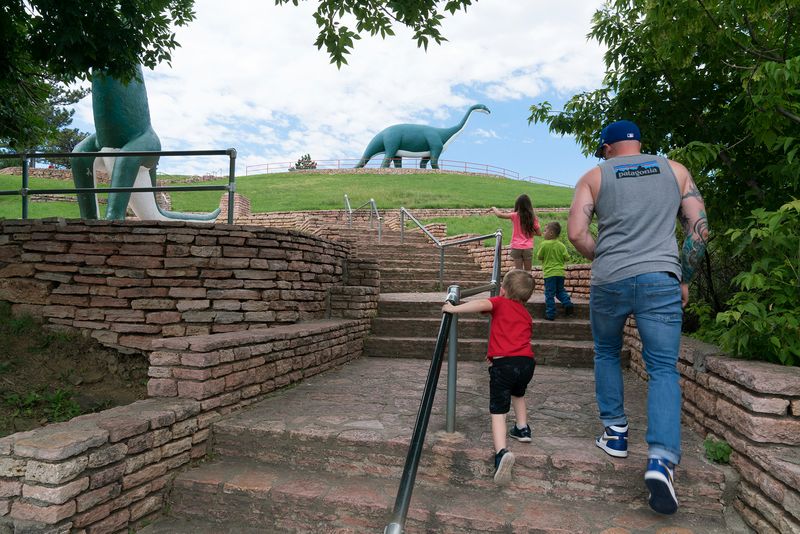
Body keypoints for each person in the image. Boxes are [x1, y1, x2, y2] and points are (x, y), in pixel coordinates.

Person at [568, 120, 708, 515]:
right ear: (639, 144)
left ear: (608, 148)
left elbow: (577, 234)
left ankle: (615, 434)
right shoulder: (675, 170)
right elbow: (699, 231)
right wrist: (685, 277)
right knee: (664, 368)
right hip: (661, 277)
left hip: (609, 281)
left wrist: (608, 256)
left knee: (607, 352)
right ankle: (661, 459)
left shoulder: (594, 176)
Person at [442, 269, 536, 486]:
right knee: (519, 394)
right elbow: (513, 336)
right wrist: (494, 353)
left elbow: (481, 304)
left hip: (504, 365)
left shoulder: (500, 302)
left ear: (502, 290)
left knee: (498, 409)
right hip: (526, 363)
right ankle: (523, 428)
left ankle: (501, 452)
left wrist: (453, 308)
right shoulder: (526, 313)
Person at [490, 194, 541, 271]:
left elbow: (499, 215)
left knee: (518, 271)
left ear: (518, 205)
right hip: (528, 247)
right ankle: (527, 283)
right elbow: (539, 233)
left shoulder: (514, 215)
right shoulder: (533, 218)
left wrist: (493, 208)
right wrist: (529, 232)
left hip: (516, 247)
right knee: (528, 272)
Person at [537, 221, 574, 320]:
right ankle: (567, 303)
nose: (543, 233)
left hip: (549, 274)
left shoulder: (544, 245)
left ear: (551, 233)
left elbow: (539, 256)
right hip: (560, 273)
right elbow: (567, 258)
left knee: (549, 294)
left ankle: (550, 314)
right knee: (560, 290)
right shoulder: (561, 245)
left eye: (545, 231)